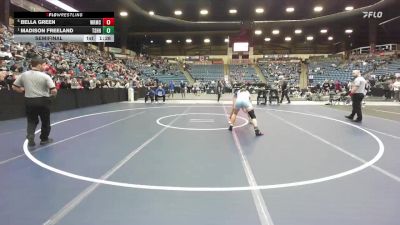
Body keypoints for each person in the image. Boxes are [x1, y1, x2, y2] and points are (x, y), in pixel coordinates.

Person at [12, 56, 57, 147]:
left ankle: (30, 136)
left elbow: (14, 86)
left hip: (29, 101)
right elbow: (53, 90)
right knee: (45, 121)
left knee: (31, 120)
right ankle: (44, 139)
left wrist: (23, 91)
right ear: (39, 65)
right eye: (44, 65)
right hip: (43, 101)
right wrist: (53, 95)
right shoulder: (45, 76)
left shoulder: (24, 74)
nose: (45, 67)